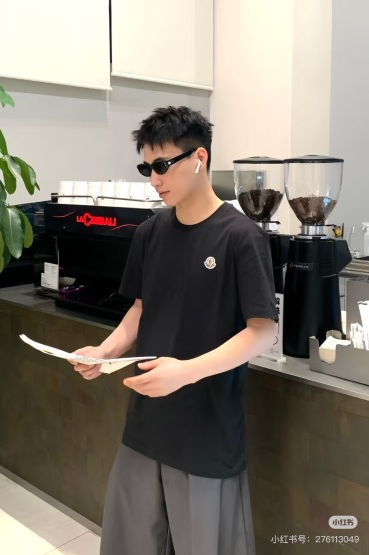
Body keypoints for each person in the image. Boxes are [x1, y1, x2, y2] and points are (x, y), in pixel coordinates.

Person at [70, 106, 278, 555]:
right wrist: (105, 351)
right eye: (147, 167)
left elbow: (263, 332)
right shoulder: (150, 233)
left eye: (162, 165)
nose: (154, 179)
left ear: (199, 157)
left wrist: (186, 372)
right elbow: (141, 308)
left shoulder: (241, 237)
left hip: (206, 430)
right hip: (145, 424)